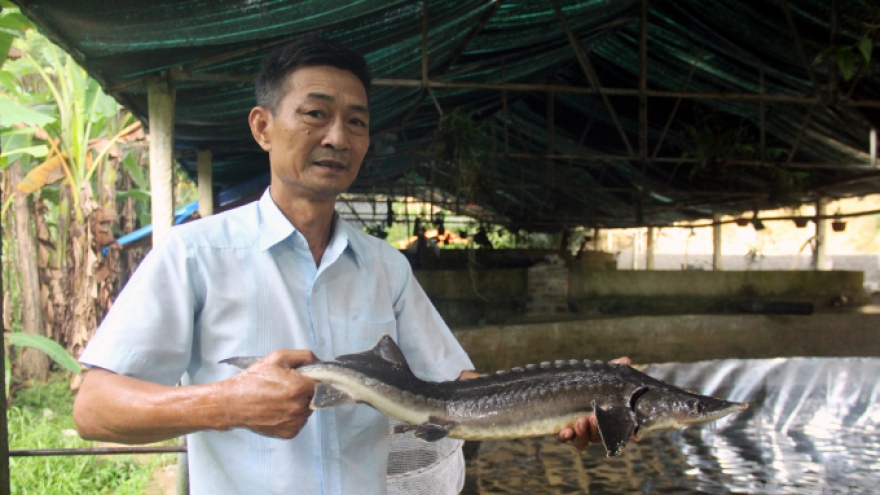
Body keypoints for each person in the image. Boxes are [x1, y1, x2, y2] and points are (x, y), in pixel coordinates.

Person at [73, 37, 621, 495]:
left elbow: (461, 392)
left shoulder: (386, 268)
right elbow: (95, 410)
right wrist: (226, 402)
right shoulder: (193, 254)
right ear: (263, 127)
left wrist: (579, 389)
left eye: (356, 122)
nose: (338, 136)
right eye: (315, 114)